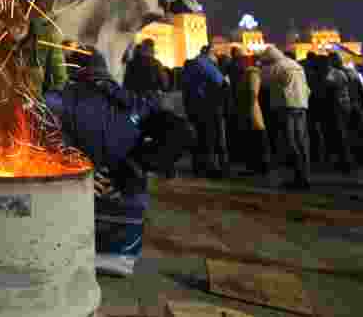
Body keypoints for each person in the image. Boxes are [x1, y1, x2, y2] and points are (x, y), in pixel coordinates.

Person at [45, 50, 193, 277]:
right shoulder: (137, 103)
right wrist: (136, 165)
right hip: (121, 249)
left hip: (67, 234)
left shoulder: (57, 100)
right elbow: (182, 133)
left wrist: (82, 173)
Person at [257, 46, 311, 190]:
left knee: (291, 141)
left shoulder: (275, 67)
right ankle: (305, 175)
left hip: (286, 106)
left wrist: (261, 68)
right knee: (302, 141)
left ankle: (299, 177)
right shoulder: (295, 64)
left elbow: (263, 82)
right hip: (302, 105)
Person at [181, 46, 229, 178]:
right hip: (206, 106)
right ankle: (211, 168)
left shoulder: (191, 65)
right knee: (209, 137)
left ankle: (198, 167)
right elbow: (221, 82)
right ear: (210, 53)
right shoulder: (206, 64)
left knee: (197, 137)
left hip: (191, 106)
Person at [235, 57, 270, 176]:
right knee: (254, 138)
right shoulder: (251, 73)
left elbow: (252, 93)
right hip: (252, 110)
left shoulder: (251, 73)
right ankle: (257, 165)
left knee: (256, 138)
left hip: (252, 111)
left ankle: (259, 165)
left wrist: (249, 109)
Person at [323, 53, 356, 175]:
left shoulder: (334, 73)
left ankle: (345, 162)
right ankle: (347, 161)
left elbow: (329, 85)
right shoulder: (347, 72)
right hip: (346, 104)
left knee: (340, 134)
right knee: (344, 133)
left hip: (338, 105)